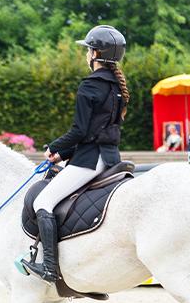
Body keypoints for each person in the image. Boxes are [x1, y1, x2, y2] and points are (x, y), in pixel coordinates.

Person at [23, 25, 130, 283]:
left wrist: (55, 147)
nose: (86, 54)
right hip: (110, 158)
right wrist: (63, 154)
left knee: (43, 202)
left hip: (90, 161)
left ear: (95, 54)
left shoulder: (90, 86)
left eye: (88, 50)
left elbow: (80, 130)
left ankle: (50, 267)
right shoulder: (117, 86)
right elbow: (97, 131)